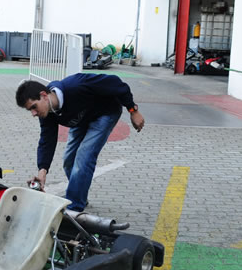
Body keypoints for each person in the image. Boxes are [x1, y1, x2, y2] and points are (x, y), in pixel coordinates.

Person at [16, 75, 145, 212]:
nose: (33, 113)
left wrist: (133, 110)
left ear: (44, 95)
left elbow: (118, 84)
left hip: (105, 113)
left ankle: (74, 208)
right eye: (30, 110)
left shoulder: (76, 86)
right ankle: (79, 195)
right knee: (69, 160)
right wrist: (42, 171)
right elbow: (47, 141)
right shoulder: (47, 113)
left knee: (84, 156)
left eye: (34, 107)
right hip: (82, 119)